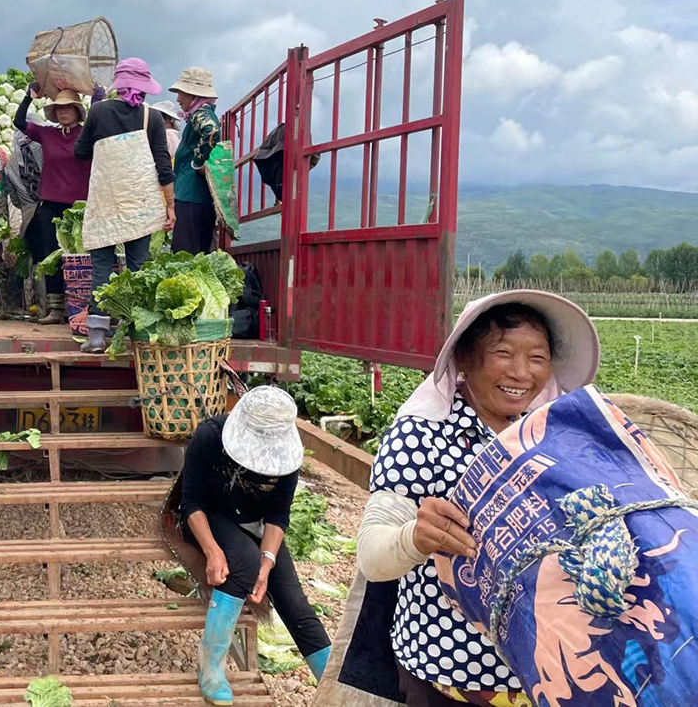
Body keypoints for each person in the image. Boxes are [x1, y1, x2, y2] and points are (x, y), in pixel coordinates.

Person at [345, 290, 600, 707]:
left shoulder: (550, 439)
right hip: (451, 674)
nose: (522, 373)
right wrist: (416, 537)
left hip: (542, 676)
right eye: (504, 353)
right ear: (464, 357)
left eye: (537, 358)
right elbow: (372, 555)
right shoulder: (422, 435)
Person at [178, 386, 332, 703]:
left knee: (295, 602)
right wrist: (212, 551)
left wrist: (268, 563)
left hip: (256, 524)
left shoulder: (289, 456)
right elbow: (190, 502)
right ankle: (211, 664)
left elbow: (278, 516)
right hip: (208, 517)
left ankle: (335, 688)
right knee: (245, 560)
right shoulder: (210, 436)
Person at [74, 58, 176, 352]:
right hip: (140, 203)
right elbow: (163, 166)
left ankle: (96, 336)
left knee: (101, 267)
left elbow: (80, 152)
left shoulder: (98, 111)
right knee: (138, 267)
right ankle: (138, 332)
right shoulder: (152, 117)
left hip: (106, 200)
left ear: (118, 84)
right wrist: (170, 205)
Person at [15, 85, 92, 325]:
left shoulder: (87, 134)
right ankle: (55, 309)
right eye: (59, 108)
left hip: (79, 208)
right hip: (50, 205)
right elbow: (19, 122)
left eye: (68, 107)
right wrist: (28, 97)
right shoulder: (47, 134)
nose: (63, 112)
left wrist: (98, 98)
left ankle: (79, 307)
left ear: (77, 111)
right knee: (51, 256)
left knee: (79, 257)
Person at [168, 68, 222, 255]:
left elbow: (211, 132)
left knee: (185, 254)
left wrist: (197, 162)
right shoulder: (203, 113)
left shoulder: (201, 113)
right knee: (198, 254)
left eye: (181, 93)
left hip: (190, 197)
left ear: (193, 95)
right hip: (197, 197)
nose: (178, 99)